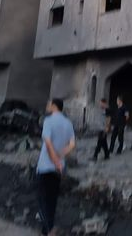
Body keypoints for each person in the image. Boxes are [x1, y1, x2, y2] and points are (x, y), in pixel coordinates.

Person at [36, 98, 75, 236]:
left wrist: (54, 159)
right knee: (52, 200)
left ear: (54, 106)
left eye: (48, 104)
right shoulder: (68, 123)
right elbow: (72, 145)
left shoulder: (48, 121)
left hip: (45, 166)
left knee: (42, 200)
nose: (47, 106)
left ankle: (49, 231)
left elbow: (48, 143)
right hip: (59, 169)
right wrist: (60, 155)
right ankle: (46, 229)